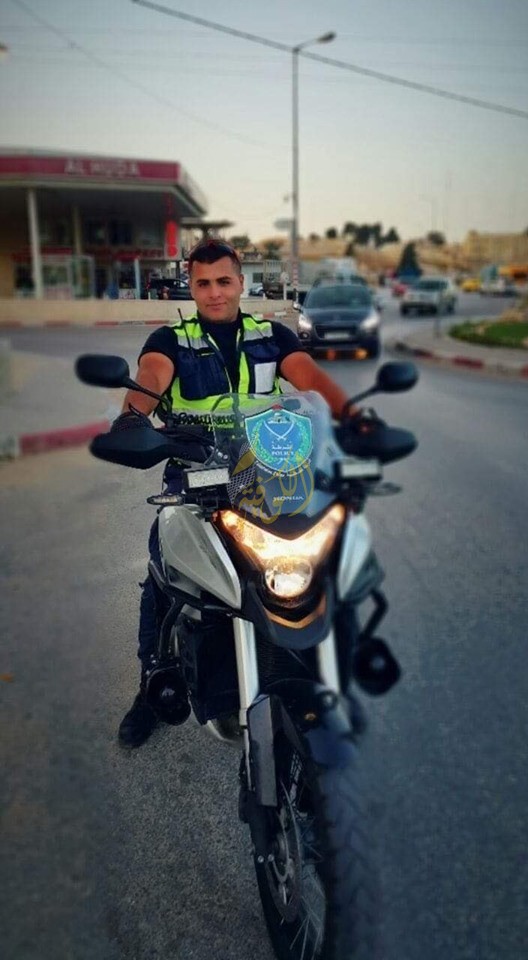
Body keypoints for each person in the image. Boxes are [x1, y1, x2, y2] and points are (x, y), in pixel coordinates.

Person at [112, 238, 357, 748]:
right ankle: (151, 683)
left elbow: (312, 380)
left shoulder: (271, 336)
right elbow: (150, 377)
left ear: (241, 283)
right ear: (191, 286)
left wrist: (355, 419)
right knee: (164, 569)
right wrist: (132, 417)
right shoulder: (171, 339)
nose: (215, 292)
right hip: (196, 475)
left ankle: (318, 670)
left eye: (224, 281)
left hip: (268, 475)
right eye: (203, 283)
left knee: (317, 558)